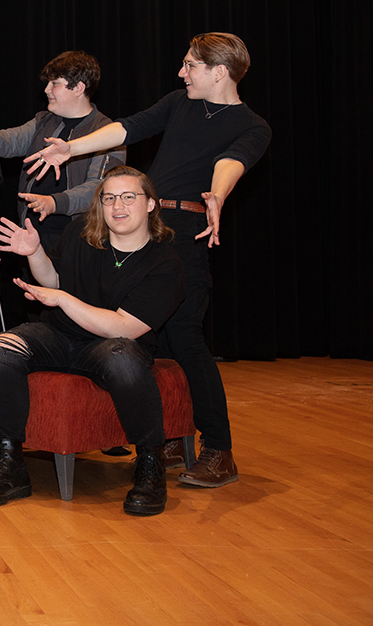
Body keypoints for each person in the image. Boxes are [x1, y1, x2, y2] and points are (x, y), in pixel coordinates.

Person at [24, 33, 271, 487]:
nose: (182, 73)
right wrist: (72, 148)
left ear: (220, 71)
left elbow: (231, 162)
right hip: (146, 230)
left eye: (190, 65)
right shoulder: (179, 102)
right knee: (151, 344)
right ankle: (172, 437)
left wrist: (218, 194)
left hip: (185, 236)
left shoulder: (253, 125)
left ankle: (218, 449)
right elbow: (129, 128)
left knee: (186, 339)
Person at [0, 166, 186, 515]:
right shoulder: (79, 234)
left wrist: (66, 300)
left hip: (111, 345)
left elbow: (124, 328)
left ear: (150, 205)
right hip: (60, 335)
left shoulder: (165, 264)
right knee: (4, 347)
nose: (118, 206)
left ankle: (150, 464)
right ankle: (10, 463)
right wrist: (34, 252)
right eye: (109, 197)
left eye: (129, 197)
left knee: (122, 358)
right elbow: (54, 282)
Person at [0, 52, 125, 253]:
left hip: (81, 238)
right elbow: (12, 139)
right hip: (33, 235)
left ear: (79, 88)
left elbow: (100, 189)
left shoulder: (107, 133)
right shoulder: (44, 120)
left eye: (55, 84)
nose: (46, 90)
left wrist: (54, 203)